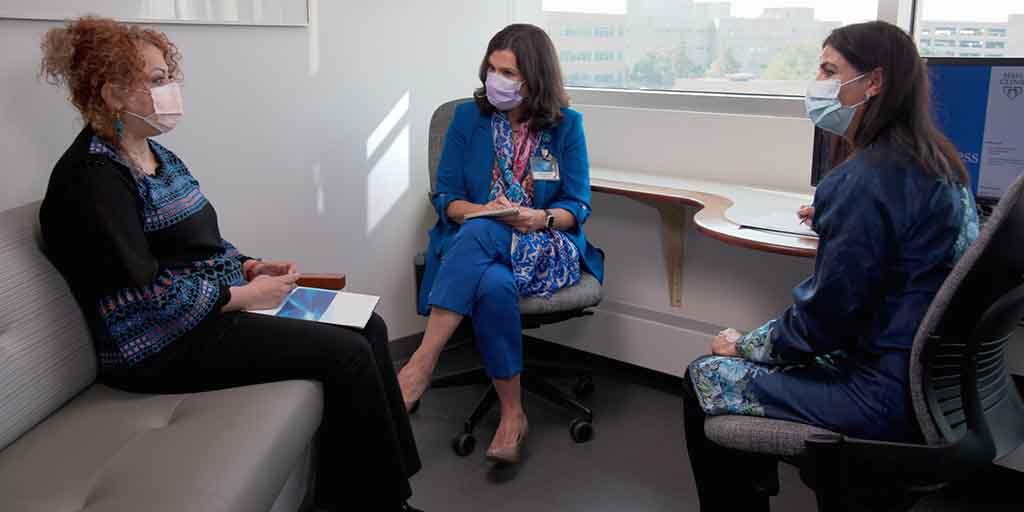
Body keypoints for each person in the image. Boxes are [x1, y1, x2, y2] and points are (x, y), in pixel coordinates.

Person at [37, 17, 421, 512]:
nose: (170, 89)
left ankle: (372, 490)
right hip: (157, 345)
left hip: (210, 310)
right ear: (112, 93)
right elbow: (147, 297)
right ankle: (378, 504)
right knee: (345, 353)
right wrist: (244, 297)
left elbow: (201, 244)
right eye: (155, 81)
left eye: (166, 76)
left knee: (368, 324)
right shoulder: (91, 181)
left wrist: (248, 268)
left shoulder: (155, 154)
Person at [682, 21, 980, 511]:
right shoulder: (942, 167)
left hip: (877, 394)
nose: (817, 82)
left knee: (704, 375)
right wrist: (837, 213)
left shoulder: (863, 180)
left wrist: (743, 345)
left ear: (874, 82)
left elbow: (821, 324)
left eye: (828, 69)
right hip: (930, 386)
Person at [396, 24, 604, 464]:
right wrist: (484, 211)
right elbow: (445, 196)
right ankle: (513, 414)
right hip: (479, 241)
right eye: (491, 69)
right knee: (490, 282)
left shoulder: (567, 126)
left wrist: (538, 216)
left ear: (535, 77)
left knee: (480, 235)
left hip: (544, 244)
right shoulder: (468, 119)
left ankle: (421, 363)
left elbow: (578, 204)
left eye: (508, 72)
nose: (496, 80)